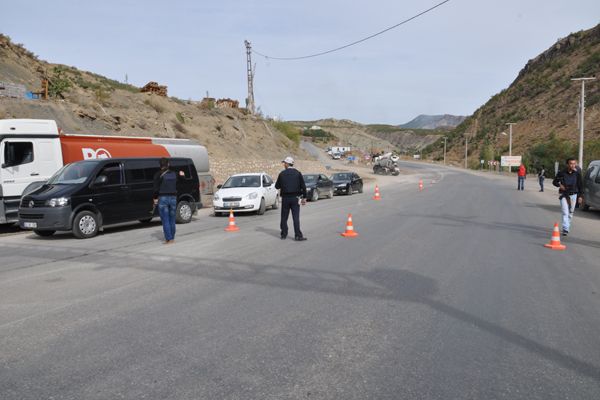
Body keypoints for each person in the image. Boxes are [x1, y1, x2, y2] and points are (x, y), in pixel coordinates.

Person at [153, 158, 184, 244]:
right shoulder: (174, 174)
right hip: (173, 198)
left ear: (160, 165)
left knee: (165, 220)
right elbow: (182, 180)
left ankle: (169, 239)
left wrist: (155, 198)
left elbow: (155, 189)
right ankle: (172, 238)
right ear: (168, 164)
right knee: (172, 219)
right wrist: (182, 175)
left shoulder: (157, 175)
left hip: (163, 199)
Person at [275, 156, 307, 241]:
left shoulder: (282, 174)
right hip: (295, 199)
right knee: (295, 218)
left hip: (285, 199)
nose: (283, 165)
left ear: (287, 164)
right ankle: (298, 235)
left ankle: (283, 235)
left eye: (284, 163)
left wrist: (284, 184)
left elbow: (276, 186)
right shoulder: (298, 173)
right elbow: (303, 186)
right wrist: (304, 197)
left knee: (284, 217)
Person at [552, 158, 584, 236]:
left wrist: (580, 196)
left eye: (574, 163)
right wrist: (560, 185)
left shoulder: (577, 174)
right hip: (564, 194)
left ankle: (567, 226)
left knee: (571, 213)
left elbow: (580, 186)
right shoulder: (562, 173)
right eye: (571, 163)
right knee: (565, 212)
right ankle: (565, 228)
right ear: (567, 164)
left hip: (574, 195)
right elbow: (554, 182)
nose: (573, 165)